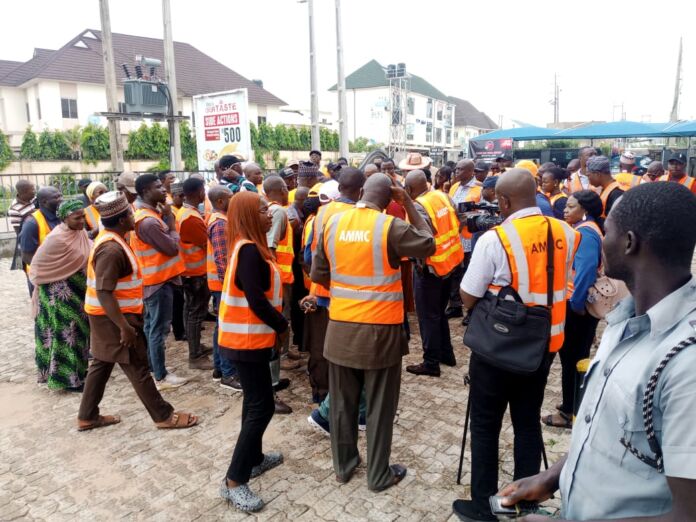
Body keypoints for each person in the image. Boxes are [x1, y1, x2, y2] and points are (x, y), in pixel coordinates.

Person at [499, 182, 696, 521]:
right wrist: (552, 477)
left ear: (629, 243)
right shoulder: (625, 319)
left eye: (608, 231)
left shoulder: (686, 365)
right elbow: (606, 434)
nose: (600, 240)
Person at [453, 168, 579, 521]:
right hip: (545, 345)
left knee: (485, 424)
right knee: (527, 421)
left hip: (498, 348)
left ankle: (483, 507)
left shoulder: (496, 239)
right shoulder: (568, 233)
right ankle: (524, 502)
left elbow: (468, 295)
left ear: (505, 201)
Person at [311, 173, 435, 492]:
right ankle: (378, 475)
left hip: (340, 329)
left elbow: (319, 274)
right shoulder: (390, 227)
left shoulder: (332, 223)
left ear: (361, 191)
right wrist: (408, 203)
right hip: (380, 332)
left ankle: (343, 467)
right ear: (390, 197)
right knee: (380, 406)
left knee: (341, 404)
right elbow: (429, 242)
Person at [78, 191, 198, 432]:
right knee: (138, 366)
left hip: (106, 315)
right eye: (131, 214)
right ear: (123, 219)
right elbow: (104, 292)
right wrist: (124, 327)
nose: (135, 217)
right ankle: (163, 416)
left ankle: (87, 416)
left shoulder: (113, 240)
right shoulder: (111, 249)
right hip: (115, 318)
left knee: (102, 363)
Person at [218, 191, 288, 513]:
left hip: (250, 341)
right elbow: (257, 302)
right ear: (248, 216)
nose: (269, 214)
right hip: (246, 342)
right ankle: (234, 481)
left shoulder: (250, 247)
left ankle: (255, 458)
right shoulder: (248, 251)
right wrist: (282, 326)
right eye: (262, 210)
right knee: (263, 407)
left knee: (254, 402)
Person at [542, 190, 603, 430]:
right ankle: (574, 402)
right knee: (576, 357)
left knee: (572, 360)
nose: (565, 210)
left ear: (584, 210)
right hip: (577, 305)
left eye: (570, 206)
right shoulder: (587, 229)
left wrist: (577, 305)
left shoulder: (585, 234)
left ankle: (569, 412)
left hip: (576, 307)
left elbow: (586, 271)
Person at [304, 168, 365, 406]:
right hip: (352, 297)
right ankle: (346, 397)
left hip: (322, 291)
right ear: (362, 191)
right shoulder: (364, 215)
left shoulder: (322, 213)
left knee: (321, 345)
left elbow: (309, 256)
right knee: (348, 348)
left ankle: (321, 394)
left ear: (339, 188)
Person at [131, 173, 188, 390]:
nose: (164, 189)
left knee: (151, 327)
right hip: (158, 282)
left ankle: (154, 368)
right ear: (146, 191)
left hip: (156, 280)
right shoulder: (148, 222)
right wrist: (171, 223)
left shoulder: (149, 214)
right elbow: (172, 248)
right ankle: (161, 376)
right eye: (158, 187)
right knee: (158, 330)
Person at [404, 170, 464, 377]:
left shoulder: (417, 207)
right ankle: (446, 354)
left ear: (409, 189)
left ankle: (431, 363)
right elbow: (459, 221)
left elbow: (423, 240)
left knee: (428, 317)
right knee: (438, 313)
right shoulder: (442, 196)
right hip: (449, 263)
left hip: (429, 269)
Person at [29, 199, 90, 391]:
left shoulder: (80, 234)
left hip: (77, 292)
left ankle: (78, 371)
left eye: (83, 216)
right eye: (76, 218)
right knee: (66, 333)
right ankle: (67, 381)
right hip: (59, 294)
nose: (82, 221)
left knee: (79, 331)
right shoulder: (56, 238)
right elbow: (37, 266)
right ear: (64, 218)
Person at [176, 177, 213, 370]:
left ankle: (196, 346)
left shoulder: (185, 213)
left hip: (190, 270)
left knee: (190, 311)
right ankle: (195, 355)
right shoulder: (190, 218)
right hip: (195, 272)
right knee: (196, 313)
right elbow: (206, 243)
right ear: (199, 193)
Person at [206, 184, 239, 389]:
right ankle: (228, 374)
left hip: (220, 284)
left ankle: (219, 369)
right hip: (222, 285)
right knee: (226, 328)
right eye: (230, 196)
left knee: (221, 326)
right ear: (220, 201)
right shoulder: (219, 224)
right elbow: (221, 259)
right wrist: (230, 286)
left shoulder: (222, 220)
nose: (233, 199)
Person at [446, 159, 482, 319]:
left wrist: (464, 220)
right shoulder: (454, 187)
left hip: (469, 239)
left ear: (470, 172)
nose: (456, 172)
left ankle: (470, 310)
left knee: (469, 273)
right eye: (456, 169)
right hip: (455, 238)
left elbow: (482, 213)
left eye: (460, 169)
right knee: (455, 272)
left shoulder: (479, 189)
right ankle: (455, 305)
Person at [20, 186, 62, 270]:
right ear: (44, 202)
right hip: (42, 273)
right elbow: (27, 256)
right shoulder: (31, 223)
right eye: (56, 197)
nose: (61, 199)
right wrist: (47, 272)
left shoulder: (61, 216)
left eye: (61, 196)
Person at [9, 179, 37, 285]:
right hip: (28, 243)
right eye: (32, 189)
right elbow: (19, 232)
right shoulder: (14, 209)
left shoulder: (33, 199)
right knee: (31, 272)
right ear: (24, 192)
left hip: (39, 237)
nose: (34, 191)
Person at [587, 155, 624, 222]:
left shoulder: (616, 193)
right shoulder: (605, 189)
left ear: (597, 174)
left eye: (588, 175)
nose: (588, 179)